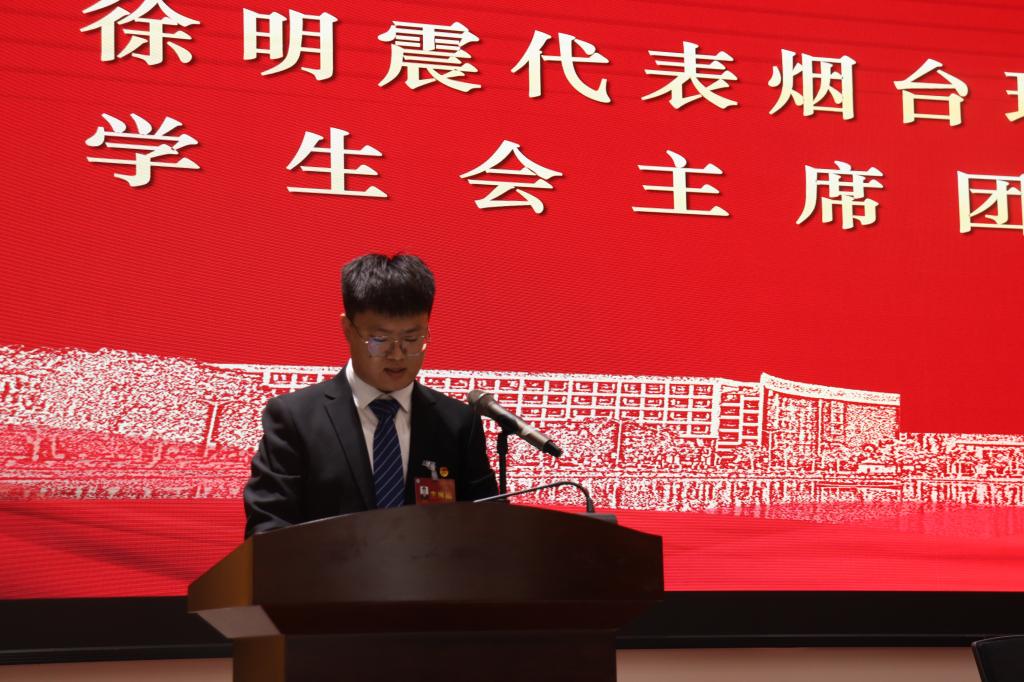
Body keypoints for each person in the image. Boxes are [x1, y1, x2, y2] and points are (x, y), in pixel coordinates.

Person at [243, 253, 498, 537]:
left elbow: (488, 528)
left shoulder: (457, 424)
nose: (397, 354)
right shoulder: (295, 419)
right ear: (348, 329)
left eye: (412, 339)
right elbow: (268, 529)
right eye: (380, 340)